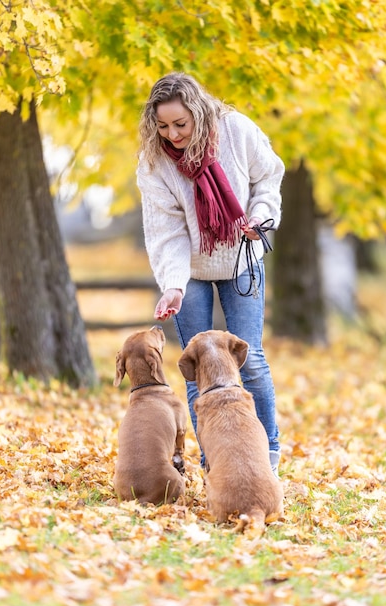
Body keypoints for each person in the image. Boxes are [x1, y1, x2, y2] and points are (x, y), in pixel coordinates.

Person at [136, 72, 285, 476]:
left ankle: (267, 456)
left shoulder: (236, 130)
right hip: (190, 272)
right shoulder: (155, 163)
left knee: (249, 359)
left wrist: (260, 218)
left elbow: (267, 177)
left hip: (241, 258)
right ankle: (213, 463)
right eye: (162, 126)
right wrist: (173, 286)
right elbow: (168, 234)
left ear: (198, 113)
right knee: (195, 368)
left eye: (180, 124)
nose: (172, 134)